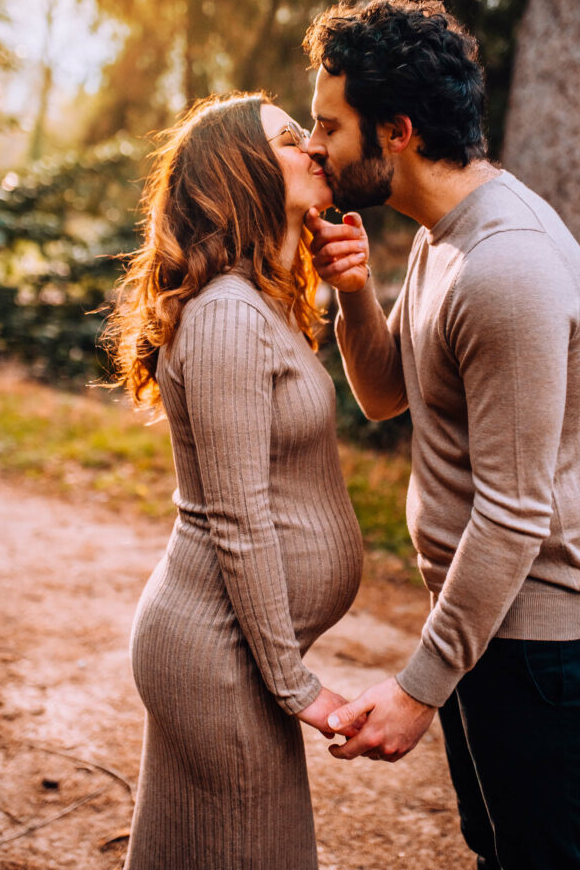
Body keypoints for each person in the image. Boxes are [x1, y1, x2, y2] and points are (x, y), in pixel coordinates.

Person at [302, 0, 580, 870]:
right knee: (499, 853)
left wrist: (419, 689)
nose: (313, 148)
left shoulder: (505, 267)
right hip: (494, 624)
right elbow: (385, 395)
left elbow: (514, 512)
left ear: (397, 131)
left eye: (328, 126)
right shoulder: (439, 234)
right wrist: (352, 290)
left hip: (545, 640)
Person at [104, 92, 364, 870]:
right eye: (290, 140)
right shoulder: (225, 318)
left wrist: (344, 282)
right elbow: (237, 519)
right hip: (220, 659)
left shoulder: (263, 306)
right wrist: (297, 687)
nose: (315, 149)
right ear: (243, 173)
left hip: (229, 655)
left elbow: (384, 393)